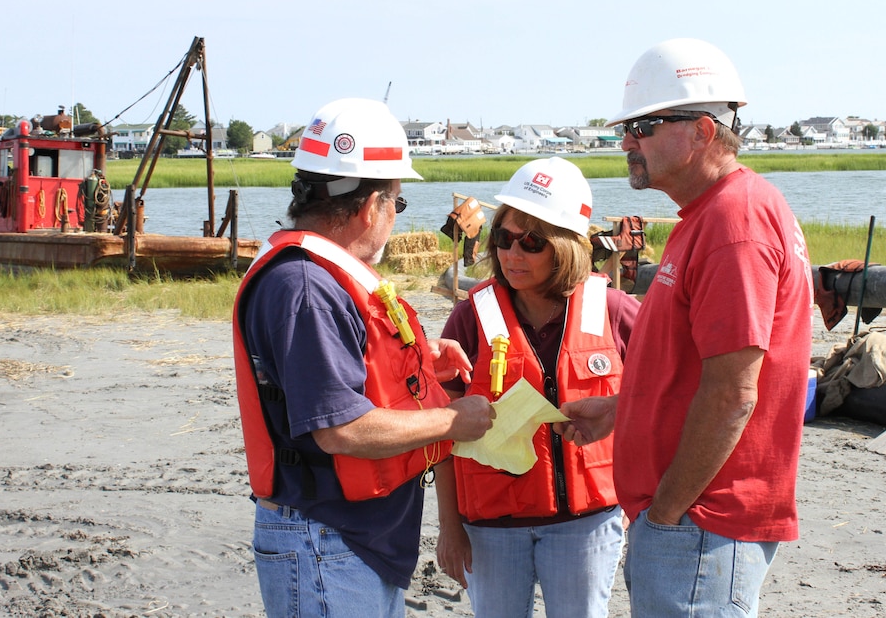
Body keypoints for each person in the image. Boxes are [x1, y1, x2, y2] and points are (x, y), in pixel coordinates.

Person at [558, 38, 814, 616]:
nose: (627, 141)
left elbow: (732, 394)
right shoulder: (711, 215)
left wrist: (668, 513)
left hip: (702, 521)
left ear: (701, 131)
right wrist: (622, 410)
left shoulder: (734, 223)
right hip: (696, 521)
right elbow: (698, 367)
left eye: (643, 126)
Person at [232, 97, 496, 617]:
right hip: (326, 539)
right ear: (370, 205)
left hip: (348, 539)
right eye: (397, 205)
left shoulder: (318, 274)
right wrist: (451, 420)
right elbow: (341, 431)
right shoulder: (306, 286)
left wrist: (420, 359)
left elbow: (345, 371)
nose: (394, 220)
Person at [435, 156, 640, 618]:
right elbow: (443, 432)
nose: (512, 254)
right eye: (504, 239)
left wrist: (638, 497)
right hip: (491, 527)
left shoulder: (614, 310)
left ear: (566, 247)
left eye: (530, 242)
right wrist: (449, 526)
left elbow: (664, 395)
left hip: (587, 527)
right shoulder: (471, 318)